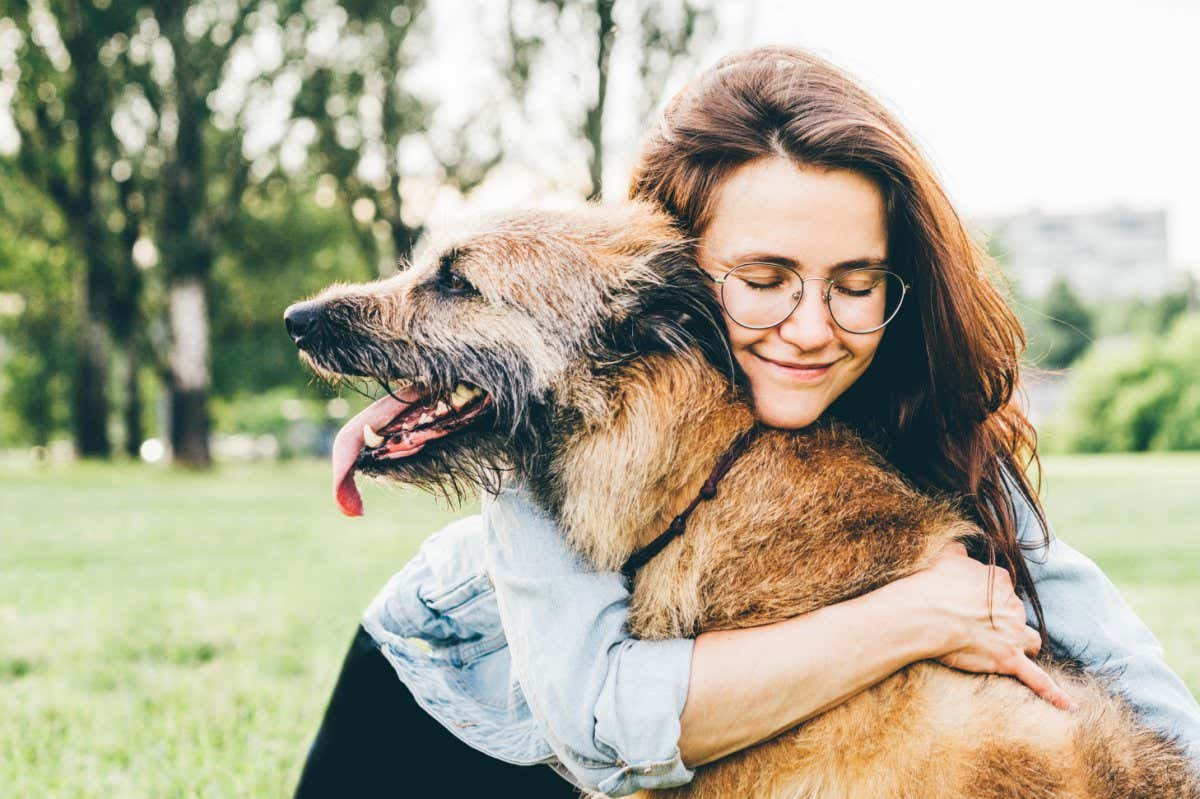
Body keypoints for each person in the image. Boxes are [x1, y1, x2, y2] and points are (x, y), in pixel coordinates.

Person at [293, 47, 1200, 797]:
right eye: (764, 281)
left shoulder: (916, 402)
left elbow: (1123, 667)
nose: (809, 329)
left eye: (855, 284)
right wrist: (915, 613)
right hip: (458, 703)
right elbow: (602, 723)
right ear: (681, 281)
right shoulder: (577, 406)